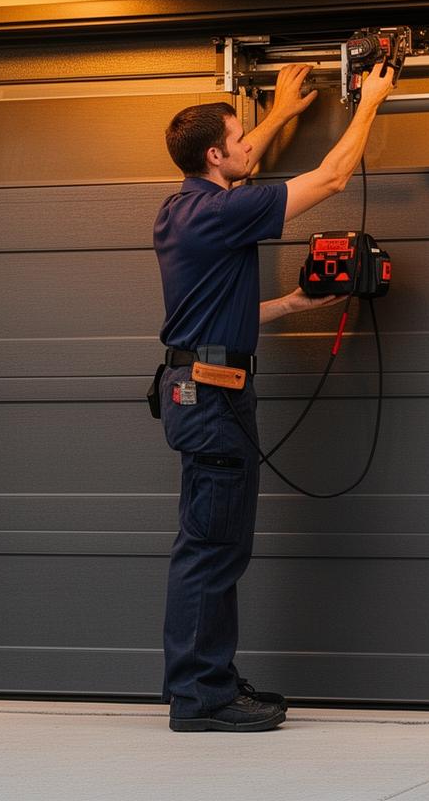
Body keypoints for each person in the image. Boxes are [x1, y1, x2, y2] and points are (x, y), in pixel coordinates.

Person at [153, 59, 399, 732]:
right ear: (215, 155)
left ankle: (207, 682)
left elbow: (212, 315)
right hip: (212, 399)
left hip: (201, 386)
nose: (249, 148)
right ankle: (202, 698)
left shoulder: (185, 210)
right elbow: (332, 177)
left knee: (210, 547)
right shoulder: (221, 211)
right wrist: (369, 101)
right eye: (240, 140)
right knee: (211, 551)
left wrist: (284, 111)